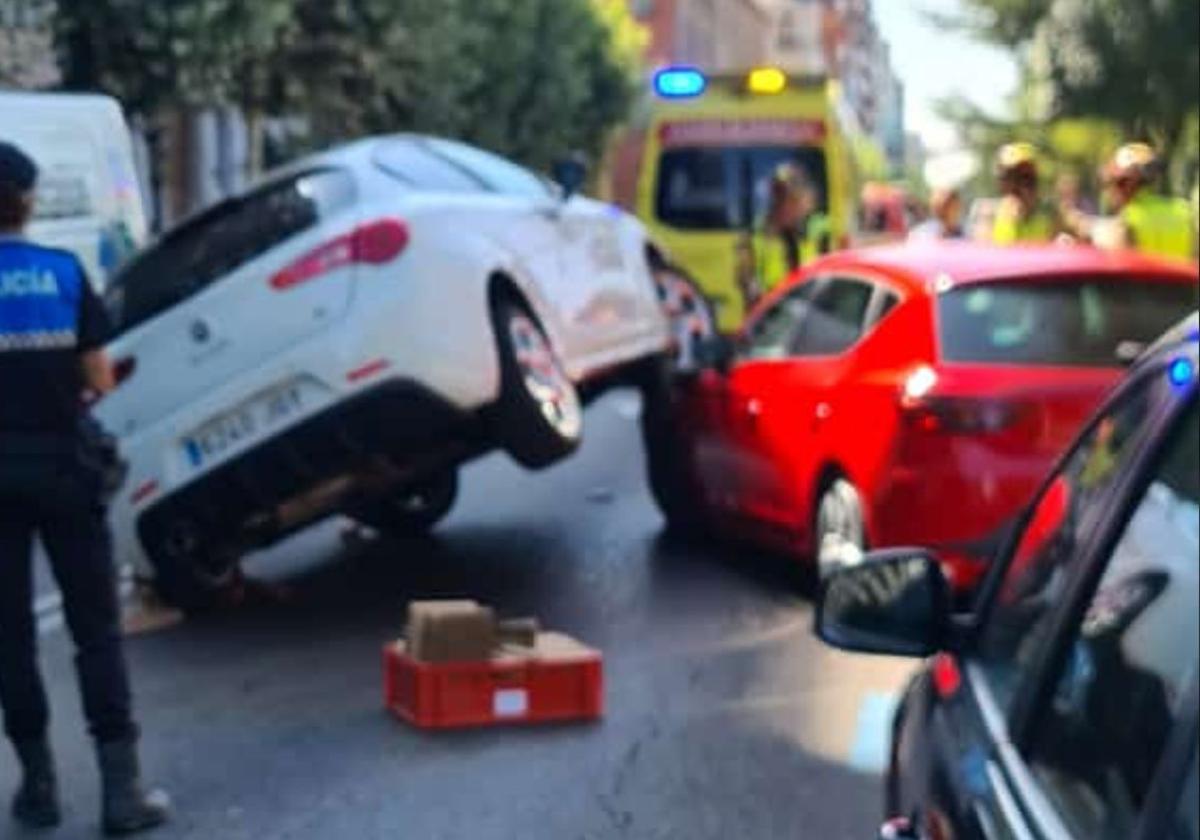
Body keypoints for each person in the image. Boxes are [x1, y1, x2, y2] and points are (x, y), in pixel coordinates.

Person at [0, 142, 170, 835]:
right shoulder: (62, 273)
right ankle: (121, 794)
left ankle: (38, 789)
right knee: (95, 629)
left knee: (9, 636)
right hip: (67, 470)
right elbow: (98, 378)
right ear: (29, 201)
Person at [1086, 143, 1194, 261]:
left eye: (1114, 182)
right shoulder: (1184, 211)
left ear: (1128, 183)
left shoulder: (1128, 220)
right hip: (1181, 279)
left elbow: (1119, 266)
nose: (1109, 191)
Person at [753, 163, 832, 301]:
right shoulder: (764, 229)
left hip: (807, 303)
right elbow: (755, 276)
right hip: (776, 302)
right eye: (780, 196)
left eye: (791, 197)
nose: (784, 203)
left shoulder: (819, 228)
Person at [991, 142, 1059, 244]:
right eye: (1008, 177)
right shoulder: (988, 216)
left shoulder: (1052, 215)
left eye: (1026, 178)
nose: (1015, 186)